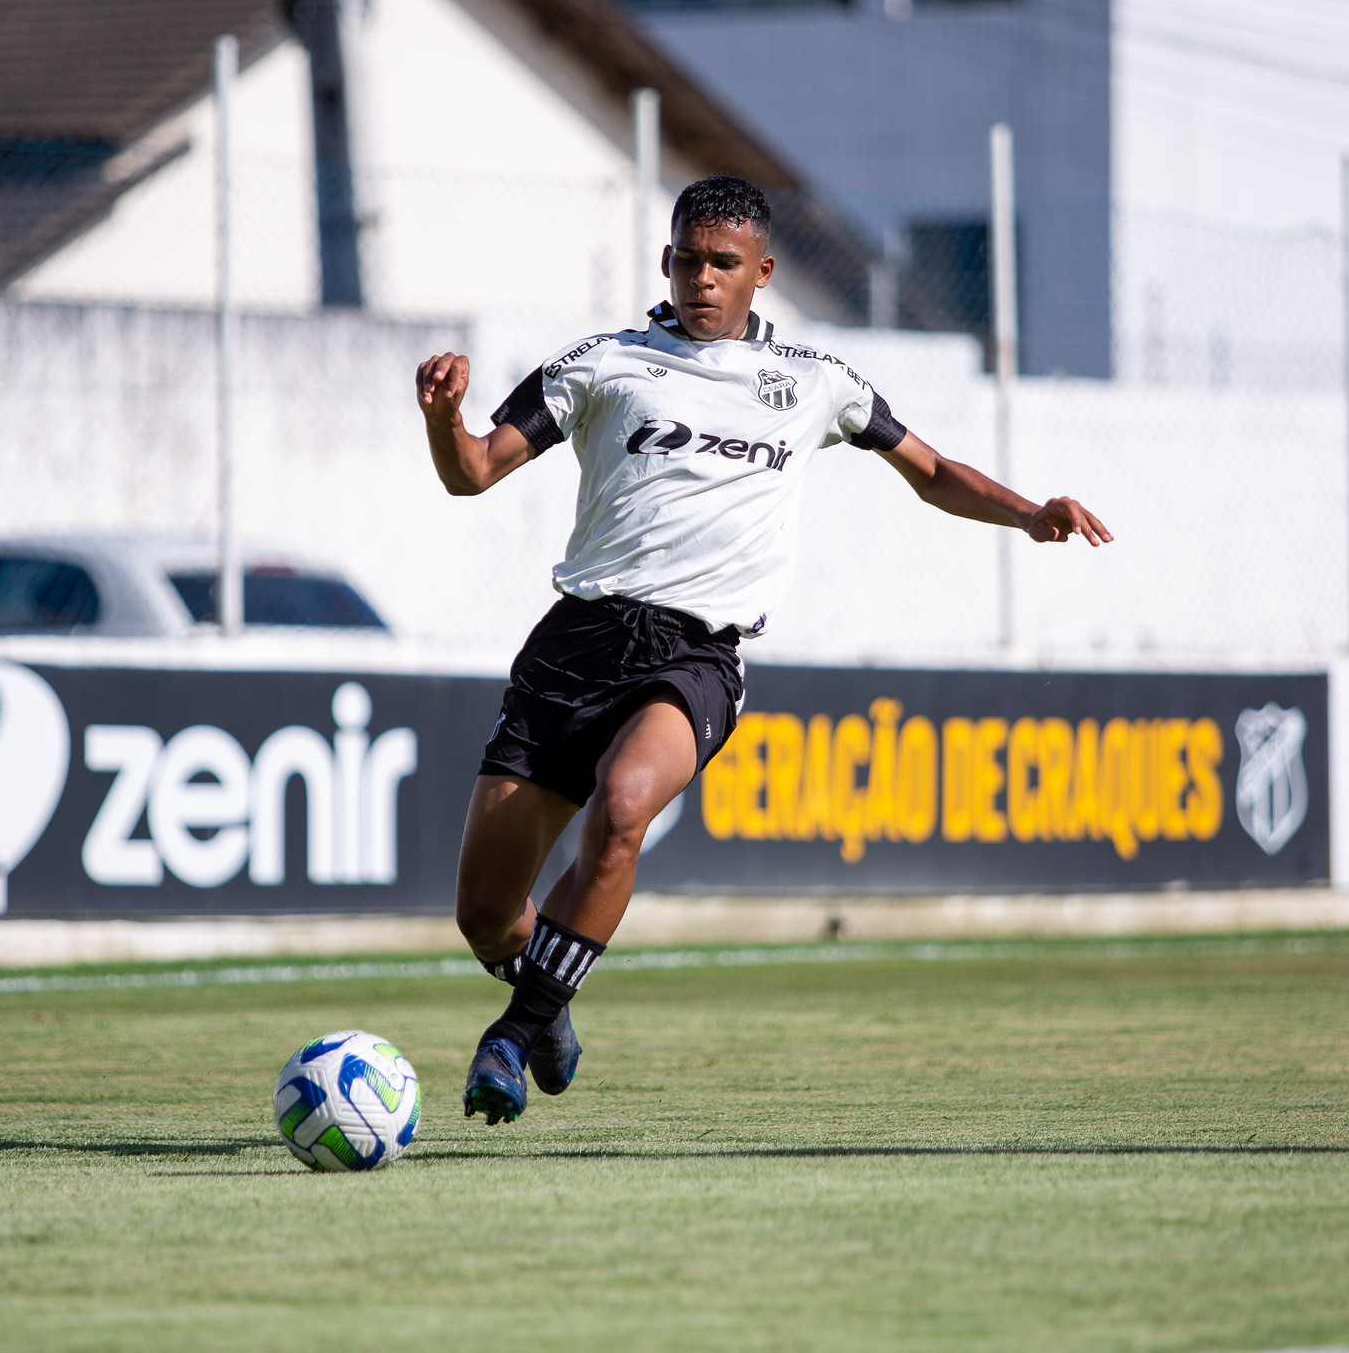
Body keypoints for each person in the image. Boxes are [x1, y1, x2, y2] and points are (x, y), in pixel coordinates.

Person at [414, 177, 1112, 1125]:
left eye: (724, 264)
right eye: (688, 259)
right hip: (575, 643)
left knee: (622, 810)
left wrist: (1030, 511)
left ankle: (514, 1027)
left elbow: (934, 471)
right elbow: (476, 472)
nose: (703, 279)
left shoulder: (817, 381)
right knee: (485, 914)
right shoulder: (603, 363)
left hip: (694, 653)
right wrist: (440, 420)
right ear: (666, 261)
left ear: (762, 274)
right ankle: (550, 993)